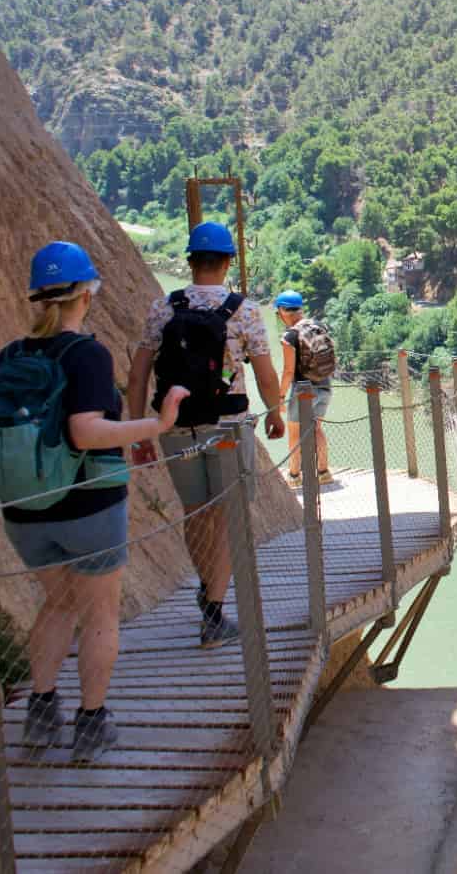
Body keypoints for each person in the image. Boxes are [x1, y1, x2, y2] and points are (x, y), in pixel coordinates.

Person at [0, 241, 189, 762]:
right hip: (87, 505)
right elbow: (85, 432)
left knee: (57, 604)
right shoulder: (87, 354)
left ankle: (40, 711)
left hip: (25, 511)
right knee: (100, 612)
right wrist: (157, 425)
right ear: (86, 292)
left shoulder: (11, 355)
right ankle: (91, 722)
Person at [125, 222, 283, 649]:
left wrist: (140, 430)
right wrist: (276, 413)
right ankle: (214, 610)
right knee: (229, 515)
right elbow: (266, 375)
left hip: (176, 426)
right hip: (228, 426)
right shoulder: (244, 311)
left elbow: (137, 374)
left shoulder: (163, 308)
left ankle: (207, 591)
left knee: (195, 512)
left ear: (191, 261)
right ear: (228, 261)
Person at [274, 290, 335, 485]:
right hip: (325, 385)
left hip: (303, 391)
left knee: (294, 432)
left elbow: (288, 371)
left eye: (278, 312)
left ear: (284, 311)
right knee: (316, 428)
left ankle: (294, 476)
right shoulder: (319, 326)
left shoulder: (290, 335)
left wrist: (280, 396)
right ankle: (324, 472)